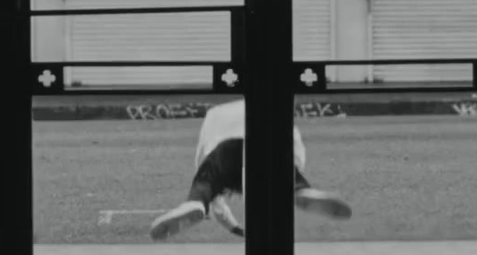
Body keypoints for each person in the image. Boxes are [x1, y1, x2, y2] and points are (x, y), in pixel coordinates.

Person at [149, 98, 352, 240]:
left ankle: (194, 204)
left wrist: (203, 198)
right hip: (269, 146)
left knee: (206, 183)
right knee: (291, 179)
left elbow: (202, 157)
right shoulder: (273, 105)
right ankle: (300, 190)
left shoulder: (214, 114)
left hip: (223, 150)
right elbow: (293, 142)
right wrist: (294, 173)